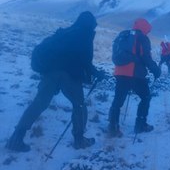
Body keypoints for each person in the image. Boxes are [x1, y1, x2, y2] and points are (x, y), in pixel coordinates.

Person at [6, 11, 102, 152]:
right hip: (68, 74)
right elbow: (85, 60)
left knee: (39, 103)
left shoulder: (65, 33)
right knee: (79, 105)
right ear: (90, 24)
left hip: (50, 72)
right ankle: (79, 140)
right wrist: (96, 73)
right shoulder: (85, 34)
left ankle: (16, 138)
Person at [108, 18, 161, 137]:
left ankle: (113, 127)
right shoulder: (142, 38)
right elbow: (146, 57)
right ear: (145, 28)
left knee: (118, 101)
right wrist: (156, 70)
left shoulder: (124, 35)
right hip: (135, 74)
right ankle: (140, 125)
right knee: (145, 97)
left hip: (120, 72)